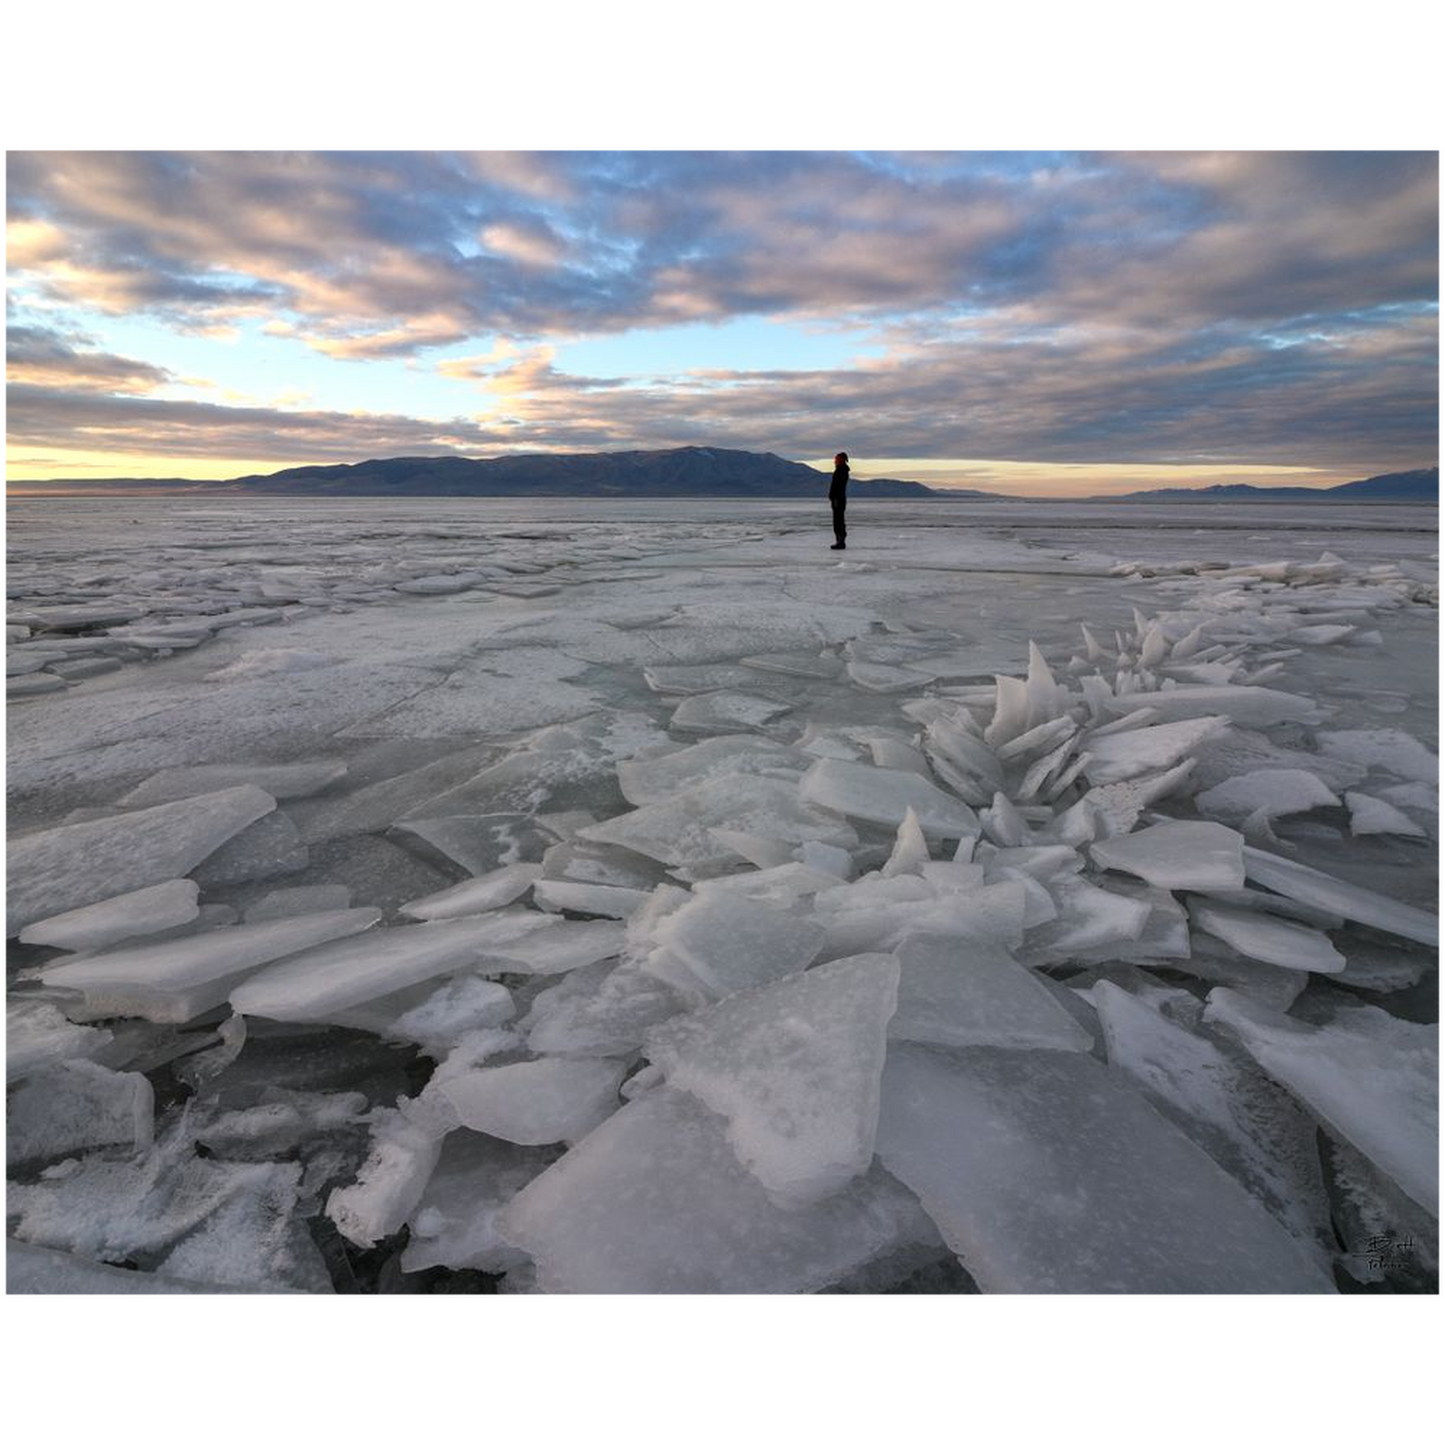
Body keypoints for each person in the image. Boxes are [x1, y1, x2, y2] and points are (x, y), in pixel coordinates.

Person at [828, 451, 849, 549]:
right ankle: (839, 541)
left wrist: (835, 498)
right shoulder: (840, 470)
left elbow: (838, 486)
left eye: (836, 459)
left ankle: (841, 542)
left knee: (839, 521)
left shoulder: (842, 471)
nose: (834, 461)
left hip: (839, 500)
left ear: (841, 460)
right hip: (837, 499)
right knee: (837, 521)